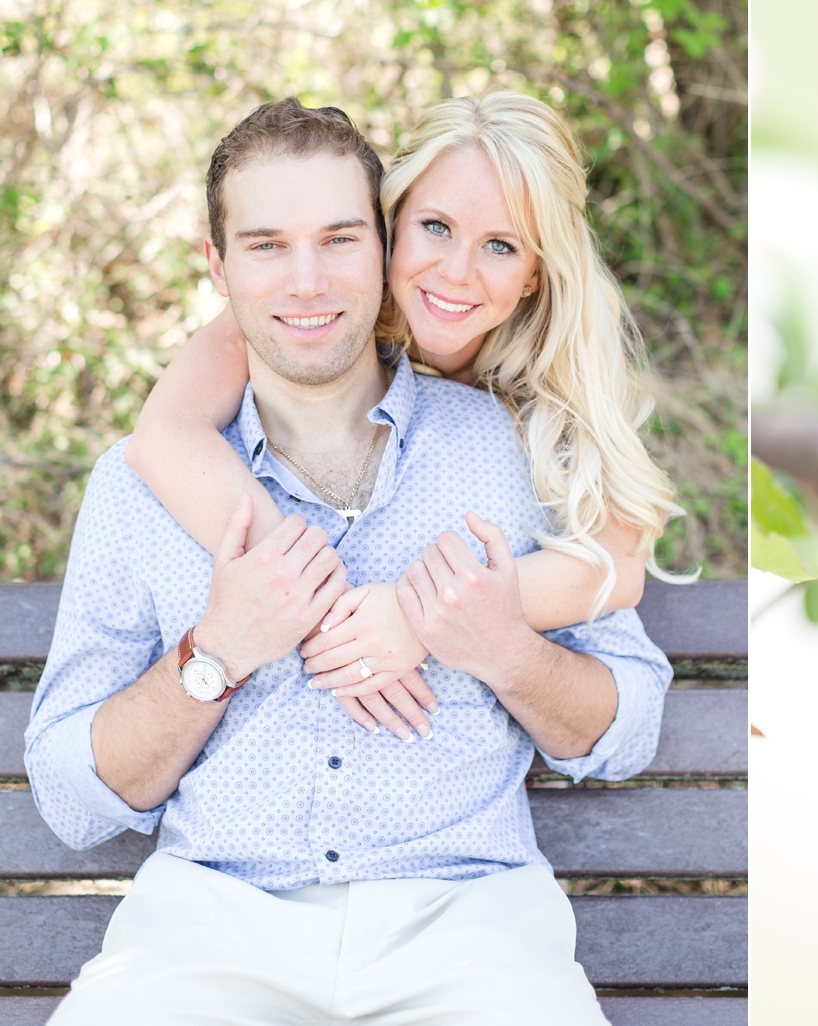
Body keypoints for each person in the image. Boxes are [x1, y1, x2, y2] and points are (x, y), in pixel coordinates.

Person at [25, 96, 674, 1024]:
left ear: (377, 246)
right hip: (210, 931)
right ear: (217, 265)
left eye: (338, 238)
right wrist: (214, 653)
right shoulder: (144, 483)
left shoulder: (524, 446)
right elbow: (70, 797)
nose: (306, 281)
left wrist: (499, 644)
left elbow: (630, 717)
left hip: (468, 927)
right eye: (264, 246)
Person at [124, 93, 683, 740]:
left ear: (535, 273)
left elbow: (615, 566)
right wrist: (329, 613)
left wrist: (416, 618)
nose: (455, 273)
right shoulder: (315, 313)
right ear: (390, 222)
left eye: (500, 245)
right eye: (436, 227)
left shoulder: (563, 367)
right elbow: (163, 434)